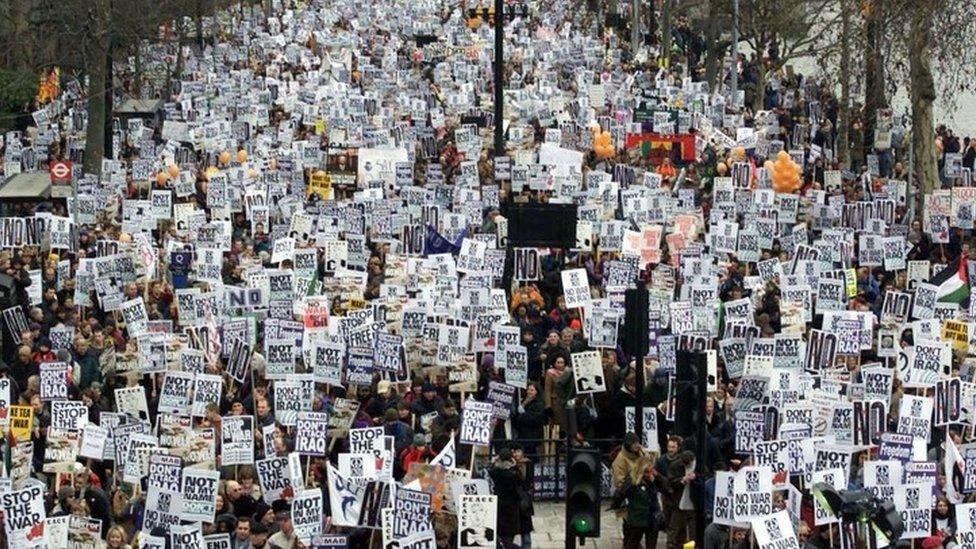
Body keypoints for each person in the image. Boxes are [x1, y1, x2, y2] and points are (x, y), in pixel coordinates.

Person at [621, 462, 663, 549]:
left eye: (651, 471)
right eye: (647, 472)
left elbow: (667, 488)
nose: (649, 474)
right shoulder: (632, 482)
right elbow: (620, 494)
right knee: (633, 544)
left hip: (652, 518)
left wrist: (657, 478)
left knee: (651, 545)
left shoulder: (654, 480)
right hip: (638, 518)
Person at [488, 447, 523, 549]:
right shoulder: (513, 475)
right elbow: (519, 490)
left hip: (497, 509)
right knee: (508, 541)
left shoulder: (493, 473)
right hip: (510, 512)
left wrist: (493, 461)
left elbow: (489, 470)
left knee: (500, 540)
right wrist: (515, 465)